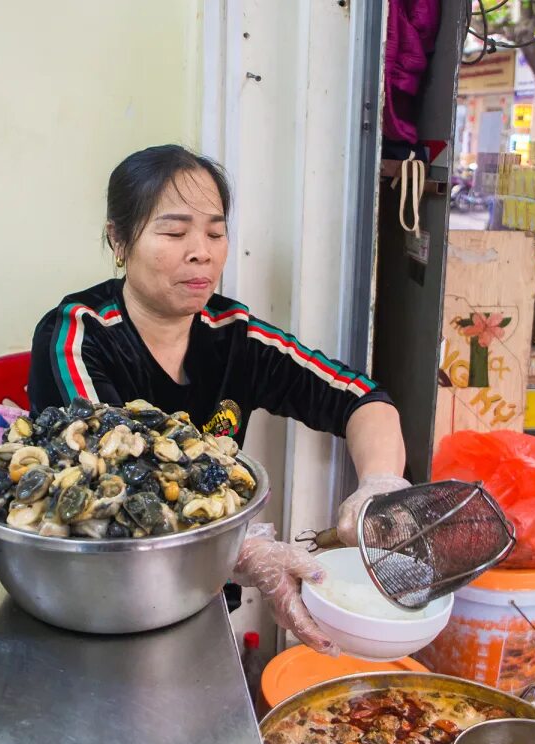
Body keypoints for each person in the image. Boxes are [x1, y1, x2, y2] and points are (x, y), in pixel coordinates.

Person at [28, 145, 411, 654]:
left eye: (214, 231)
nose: (201, 251)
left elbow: (363, 399)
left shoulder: (233, 334)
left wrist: (379, 487)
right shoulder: (78, 334)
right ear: (118, 240)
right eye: (173, 231)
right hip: (97, 603)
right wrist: (241, 543)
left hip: (199, 600)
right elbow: (108, 484)